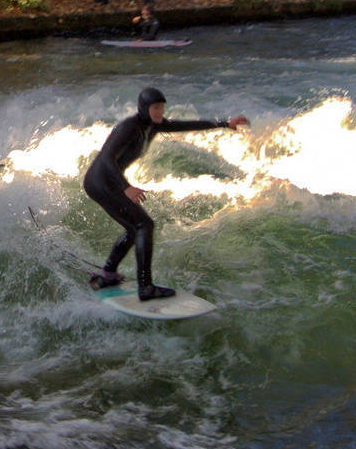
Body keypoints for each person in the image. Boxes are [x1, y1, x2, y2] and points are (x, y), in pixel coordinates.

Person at [83, 88, 248, 301]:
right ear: (144, 108)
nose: (160, 111)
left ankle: (109, 274)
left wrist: (225, 124)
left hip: (109, 182)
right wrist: (126, 187)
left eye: (162, 107)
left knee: (135, 227)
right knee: (144, 225)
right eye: (156, 107)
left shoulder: (153, 126)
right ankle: (146, 288)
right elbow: (106, 158)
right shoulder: (129, 127)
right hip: (100, 182)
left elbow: (186, 125)